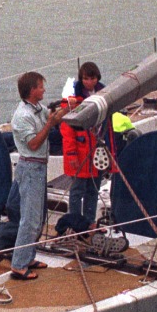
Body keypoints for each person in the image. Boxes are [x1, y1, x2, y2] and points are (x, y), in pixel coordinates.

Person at [6, 71, 71, 281]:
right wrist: (50, 125)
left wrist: (67, 107)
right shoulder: (22, 116)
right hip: (30, 168)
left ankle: (29, 256)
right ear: (32, 90)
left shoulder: (37, 109)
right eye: (41, 86)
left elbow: (51, 119)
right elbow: (34, 143)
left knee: (39, 216)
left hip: (39, 168)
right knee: (30, 219)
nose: (44, 89)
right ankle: (18, 264)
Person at [59, 62, 104, 227]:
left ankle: (90, 222)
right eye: (85, 78)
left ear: (97, 78)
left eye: (92, 78)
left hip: (97, 151)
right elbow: (67, 128)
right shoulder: (72, 100)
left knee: (93, 189)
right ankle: (76, 223)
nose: (88, 82)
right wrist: (71, 153)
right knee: (77, 190)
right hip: (80, 151)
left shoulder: (104, 94)